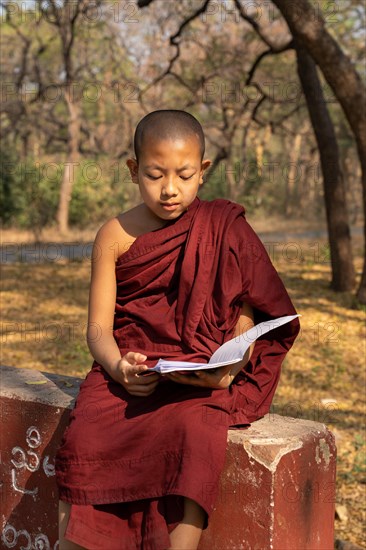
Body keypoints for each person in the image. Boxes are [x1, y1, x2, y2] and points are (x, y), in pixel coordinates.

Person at [55, 109, 300, 550]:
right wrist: (117, 366)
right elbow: (96, 330)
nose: (170, 188)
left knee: (196, 430)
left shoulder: (225, 226)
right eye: (154, 175)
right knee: (86, 435)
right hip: (130, 373)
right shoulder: (113, 235)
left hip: (197, 374)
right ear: (134, 171)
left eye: (185, 175)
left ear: (203, 172)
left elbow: (257, 309)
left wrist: (231, 362)